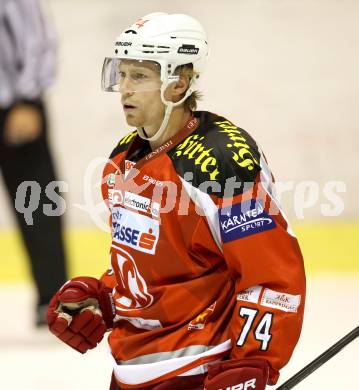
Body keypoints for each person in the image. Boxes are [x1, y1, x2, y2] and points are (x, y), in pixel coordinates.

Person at [47, 12, 306, 390]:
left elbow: (271, 275)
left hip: (198, 368)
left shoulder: (219, 161)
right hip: (130, 369)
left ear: (178, 83)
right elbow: (152, 260)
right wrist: (104, 297)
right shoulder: (124, 157)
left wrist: (254, 361)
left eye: (139, 76)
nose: (125, 89)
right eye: (122, 74)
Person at [0, 0, 68, 326]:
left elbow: (37, 36)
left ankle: (53, 300)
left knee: (37, 202)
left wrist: (29, 98)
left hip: (12, 105)